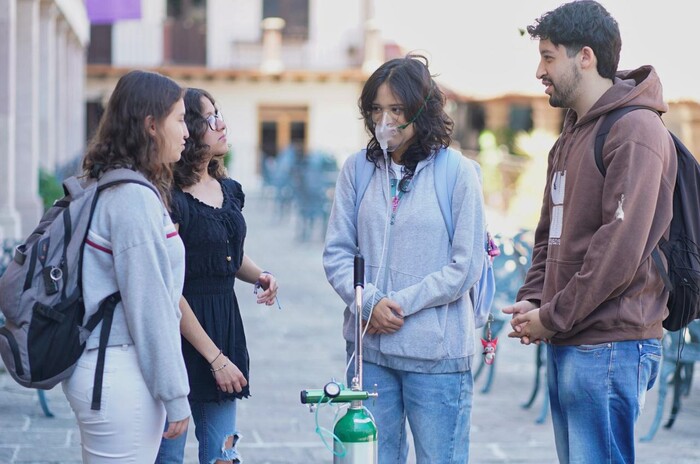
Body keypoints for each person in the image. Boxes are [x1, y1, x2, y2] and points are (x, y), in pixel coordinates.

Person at [503, 2, 677, 463]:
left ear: (584, 56)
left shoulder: (635, 129)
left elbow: (617, 252)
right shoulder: (573, 132)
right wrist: (536, 298)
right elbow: (550, 232)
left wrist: (553, 316)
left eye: (547, 56)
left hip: (611, 344)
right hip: (574, 336)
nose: (539, 70)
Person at [323, 54, 486, 463]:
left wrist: (398, 305)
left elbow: (465, 265)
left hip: (437, 359)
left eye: (397, 109)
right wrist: (368, 302)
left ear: (422, 110)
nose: (386, 120)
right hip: (369, 354)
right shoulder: (356, 170)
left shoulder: (457, 173)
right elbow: (338, 252)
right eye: (376, 109)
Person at [62, 70, 191, 461]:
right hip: (118, 373)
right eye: (180, 119)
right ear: (152, 125)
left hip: (111, 369)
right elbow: (149, 306)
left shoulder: (118, 185)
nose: (187, 131)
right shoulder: (132, 199)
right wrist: (175, 395)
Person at [156, 88, 279, 464]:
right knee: (168, 457)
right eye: (209, 119)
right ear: (189, 130)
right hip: (180, 336)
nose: (221, 124)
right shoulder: (169, 198)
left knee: (223, 456)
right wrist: (215, 358)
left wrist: (260, 275)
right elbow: (166, 287)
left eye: (219, 114)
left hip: (223, 326)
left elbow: (228, 255)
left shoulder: (228, 190)